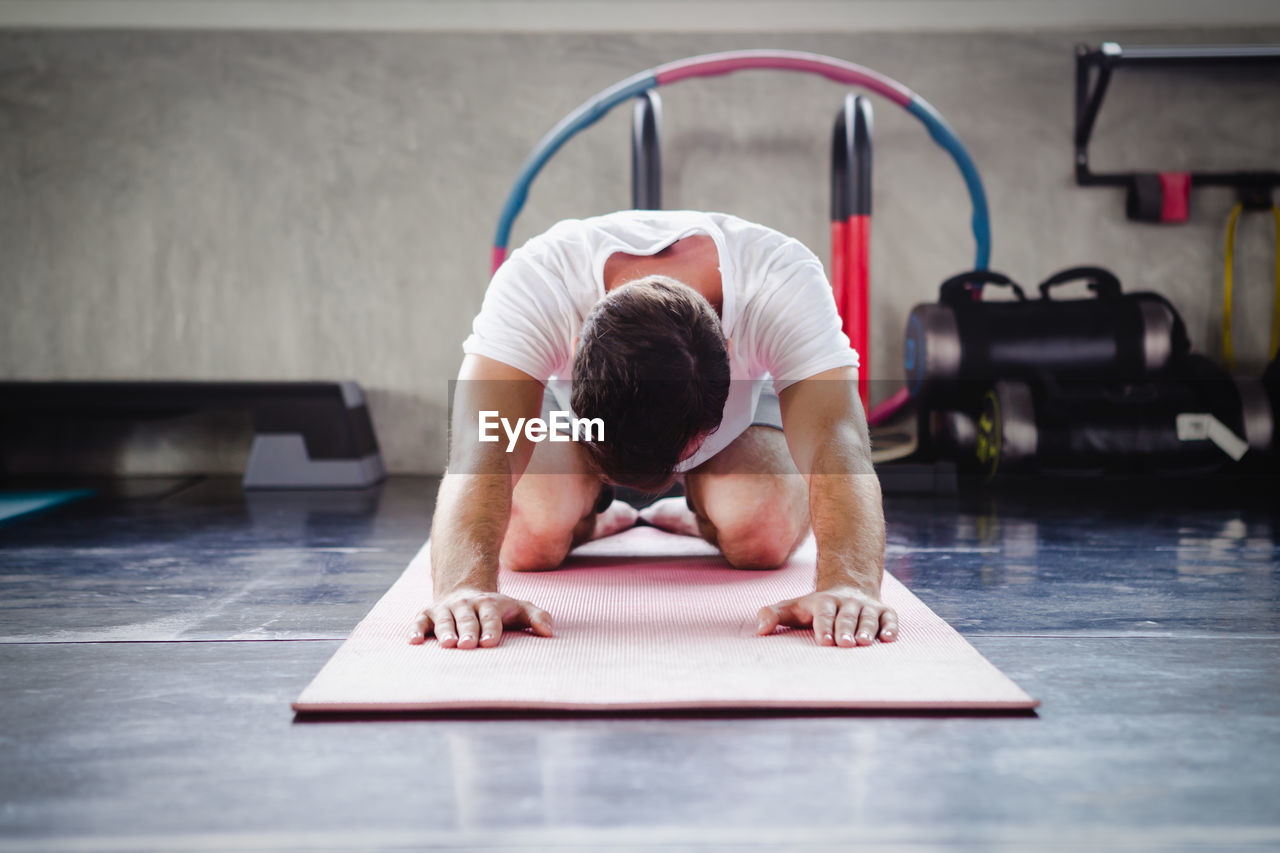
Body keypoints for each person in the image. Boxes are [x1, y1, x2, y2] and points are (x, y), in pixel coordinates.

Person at [409, 210, 897, 650]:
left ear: (730, 351)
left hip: (736, 423)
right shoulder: (538, 282)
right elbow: (484, 443)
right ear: (577, 346)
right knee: (528, 540)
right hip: (579, 420)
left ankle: (699, 515)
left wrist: (847, 582)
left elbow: (837, 439)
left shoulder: (779, 279)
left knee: (760, 532)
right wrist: (465, 587)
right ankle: (594, 520)